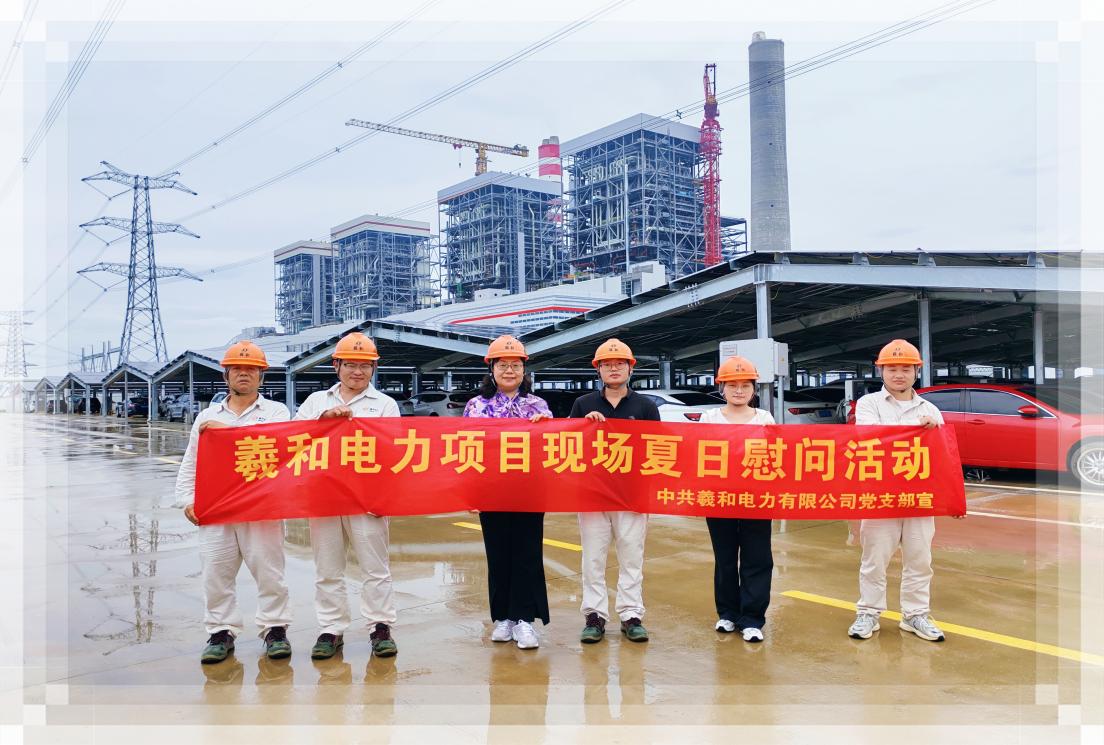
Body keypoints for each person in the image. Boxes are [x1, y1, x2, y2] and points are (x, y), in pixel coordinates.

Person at [175, 340, 293, 664]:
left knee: (270, 573)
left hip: (262, 509)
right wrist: (187, 500)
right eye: (237, 369)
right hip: (217, 508)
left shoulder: (276, 412)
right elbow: (191, 462)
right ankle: (220, 632)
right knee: (216, 574)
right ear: (225, 374)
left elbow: (275, 447)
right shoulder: (206, 416)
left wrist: (225, 431)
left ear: (261, 376)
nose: (244, 373)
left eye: (251, 369)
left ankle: (275, 630)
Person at [847, 339, 965, 642]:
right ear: (881, 371)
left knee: (919, 559)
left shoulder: (930, 409)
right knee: (874, 559)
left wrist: (952, 498)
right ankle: (868, 613)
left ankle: (915, 615)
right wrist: (916, 430)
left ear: (916, 372)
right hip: (881, 496)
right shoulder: (869, 404)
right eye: (892, 369)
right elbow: (870, 439)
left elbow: (943, 456)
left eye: (906, 369)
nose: (899, 375)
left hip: (919, 497)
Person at [295, 332, 402, 660]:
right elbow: (292, 440)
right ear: (336, 366)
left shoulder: (384, 405)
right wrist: (322, 423)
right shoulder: (316, 402)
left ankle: (380, 627)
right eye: (351, 365)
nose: (358, 371)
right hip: (324, 497)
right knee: (328, 567)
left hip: (367, 499)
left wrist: (385, 497)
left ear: (373, 369)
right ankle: (331, 629)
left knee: (375, 567)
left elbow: (394, 451)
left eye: (365, 365)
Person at [463, 335, 553, 649]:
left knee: (527, 554)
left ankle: (524, 619)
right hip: (491, 493)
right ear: (492, 369)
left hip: (529, 492)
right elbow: (467, 450)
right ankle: (503, 618)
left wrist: (545, 427)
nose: (509, 371)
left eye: (515, 365)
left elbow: (550, 448)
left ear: (524, 369)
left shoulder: (538, 405)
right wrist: (470, 493)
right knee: (498, 554)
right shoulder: (476, 406)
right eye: (503, 365)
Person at [568, 338, 658, 644]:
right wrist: (585, 426)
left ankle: (631, 615)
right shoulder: (583, 404)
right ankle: (594, 616)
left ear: (631, 368)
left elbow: (658, 450)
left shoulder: (645, 406)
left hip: (631, 495)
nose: (614, 368)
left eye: (620, 363)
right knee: (592, 558)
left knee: (631, 556)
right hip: (593, 494)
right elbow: (569, 446)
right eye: (607, 364)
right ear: (598, 370)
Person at [699, 356, 775, 642]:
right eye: (732, 385)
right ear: (722, 387)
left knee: (758, 557)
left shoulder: (764, 418)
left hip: (757, 498)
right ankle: (728, 614)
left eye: (745, 385)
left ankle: (752, 618)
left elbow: (775, 456)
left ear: (754, 388)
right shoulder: (709, 418)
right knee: (726, 557)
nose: (739, 391)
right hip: (719, 497)